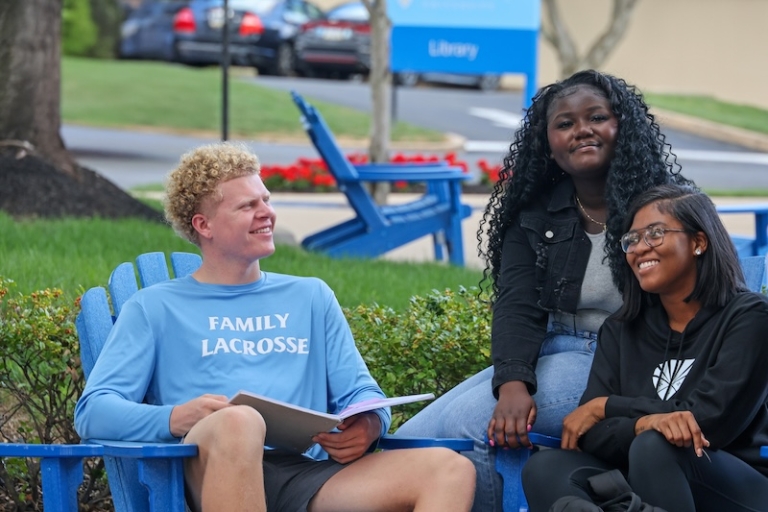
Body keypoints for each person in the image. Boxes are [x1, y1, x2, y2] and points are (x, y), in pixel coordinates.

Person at [74, 142, 476, 512]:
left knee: (448, 469)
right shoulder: (154, 307)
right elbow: (94, 411)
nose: (266, 212)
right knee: (240, 420)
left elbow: (361, 392)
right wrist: (174, 417)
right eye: (247, 206)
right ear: (204, 225)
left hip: (304, 473)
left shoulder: (311, 297)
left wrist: (369, 424)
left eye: (265, 199)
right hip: (207, 465)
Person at [394, 69, 695, 511]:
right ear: (549, 146)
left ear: (622, 128)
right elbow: (517, 305)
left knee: (469, 424)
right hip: (553, 352)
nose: (582, 130)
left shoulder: (666, 209)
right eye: (565, 124)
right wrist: (513, 382)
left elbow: (703, 303)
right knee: (405, 441)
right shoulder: (536, 215)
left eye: (596, 117)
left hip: (621, 363)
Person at [522, 184, 768, 511]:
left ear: (698, 242)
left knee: (656, 446)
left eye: (655, 233)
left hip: (733, 486)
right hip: (643, 480)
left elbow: (709, 422)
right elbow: (590, 434)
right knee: (545, 467)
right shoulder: (622, 329)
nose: (639, 248)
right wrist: (640, 422)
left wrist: (607, 407)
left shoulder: (750, 317)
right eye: (632, 239)